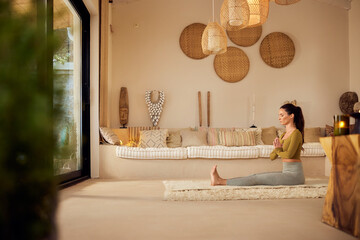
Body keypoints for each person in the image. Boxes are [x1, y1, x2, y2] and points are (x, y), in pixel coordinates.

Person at [210, 103, 306, 186]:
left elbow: (289, 155)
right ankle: (220, 181)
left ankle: (220, 181)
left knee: (256, 179)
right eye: (279, 115)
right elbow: (272, 157)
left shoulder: (296, 133)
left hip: (294, 176)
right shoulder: (284, 135)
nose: (279, 118)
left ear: (291, 116)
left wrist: (278, 149)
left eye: (282, 115)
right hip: (286, 173)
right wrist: (277, 149)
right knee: (255, 176)